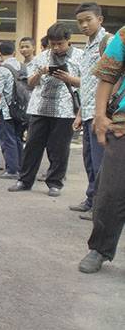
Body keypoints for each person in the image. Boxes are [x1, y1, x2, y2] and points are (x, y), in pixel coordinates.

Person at [8, 23, 82, 196]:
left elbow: (87, 82)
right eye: (52, 44)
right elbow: (30, 84)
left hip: (65, 109)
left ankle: (55, 183)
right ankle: (24, 180)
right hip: (39, 107)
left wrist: (68, 78)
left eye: (60, 44)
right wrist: (40, 73)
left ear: (68, 41)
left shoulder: (80, 57)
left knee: (59, 148)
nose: (56, 48)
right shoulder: (42, 57)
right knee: (32, 145)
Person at [78, 26, 125, 273]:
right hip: (122, 126)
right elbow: (107, 75)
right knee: (112, 191)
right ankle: (99, 248)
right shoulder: (124, 35)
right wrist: (99, 116)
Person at [69, 3, 109, 218]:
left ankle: (101, 208)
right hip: (88, 113)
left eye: (88, 20)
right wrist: (80, 113)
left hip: (101, 115)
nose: (84, 25)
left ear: (100, 19)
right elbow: (88, 84)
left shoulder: (108, 42)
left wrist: (101, 113)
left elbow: (112, 80)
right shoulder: (88, 46)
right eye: (80, 21)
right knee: (90, 160)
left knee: (101, 162)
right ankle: (92, 199)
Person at [0, 41, 24, 179]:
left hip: (7, 110)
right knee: (18, 138)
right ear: (14, 52)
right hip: (22, 109)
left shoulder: (1, 70)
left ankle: (12, 169)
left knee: (8, 139)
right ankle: (21, 167)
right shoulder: (22, 67)